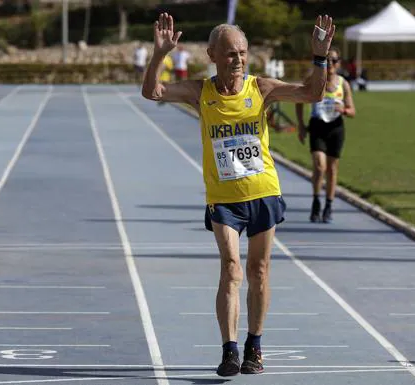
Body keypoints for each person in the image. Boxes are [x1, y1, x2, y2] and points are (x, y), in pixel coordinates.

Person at [141, 12, 335, 377]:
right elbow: (153, 92)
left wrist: (320, 57)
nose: (238, 60)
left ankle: (254, 345)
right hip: (224, 198)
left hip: (263, 191)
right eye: (231, 53)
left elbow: (312, 93)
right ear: (213, 55)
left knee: (258, 270)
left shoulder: (260, 88)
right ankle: (229, 349)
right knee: (231, 269)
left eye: (243, 53)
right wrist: (159, 55)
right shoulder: (202, 92)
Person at [296, 48, 355, 223]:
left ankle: (328, 206)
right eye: (327, 60)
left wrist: (343, 109)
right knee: (319, 166)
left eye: (334, 61)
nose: (330, 64)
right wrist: (300, 125)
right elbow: (298, 101)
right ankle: (316, 200)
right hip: (317, 126)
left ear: (339, 63)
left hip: (336, 128)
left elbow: (353, 111)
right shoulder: (312, 80)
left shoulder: (343, 84)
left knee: (332, 169)